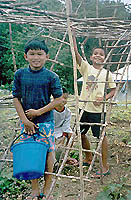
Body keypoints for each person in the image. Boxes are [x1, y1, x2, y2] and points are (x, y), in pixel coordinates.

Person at [12, 39, 63, 200]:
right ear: (25, 56)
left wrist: (38, 112)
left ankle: (46, 188)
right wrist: (25, 120)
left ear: (46, 56)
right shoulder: (20, 74)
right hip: (27, 123)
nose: (36, 57)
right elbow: (15, 98)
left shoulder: (51, 76)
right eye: (32, 54)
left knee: (49, 153)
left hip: (46, 121)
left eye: (39, 54)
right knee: (30, 153)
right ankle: (35, 188)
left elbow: (58, 100)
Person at [72, 33, 116, 177]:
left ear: (105, 58)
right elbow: (76, 53)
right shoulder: (86, 68)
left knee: (101, 137)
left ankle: (105, 166)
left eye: (101, 54)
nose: (98, 56)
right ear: (91, 57)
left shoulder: (107, 73)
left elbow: (113, 90)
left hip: (98, 111)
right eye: (95, 54)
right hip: (84, 108)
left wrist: (104, 98)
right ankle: (88, 157)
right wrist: (72, 35)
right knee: (81, 134)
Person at [54, 88, 78, 166]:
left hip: (60, 129)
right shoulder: (50, 110)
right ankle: (54, 158)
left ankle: (65, 154)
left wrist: (65, 135)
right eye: (61, 98)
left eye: (65, 98)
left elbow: (66, 126)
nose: (63, 100)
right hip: (50, 129)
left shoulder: (67, 112)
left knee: (72, 135)